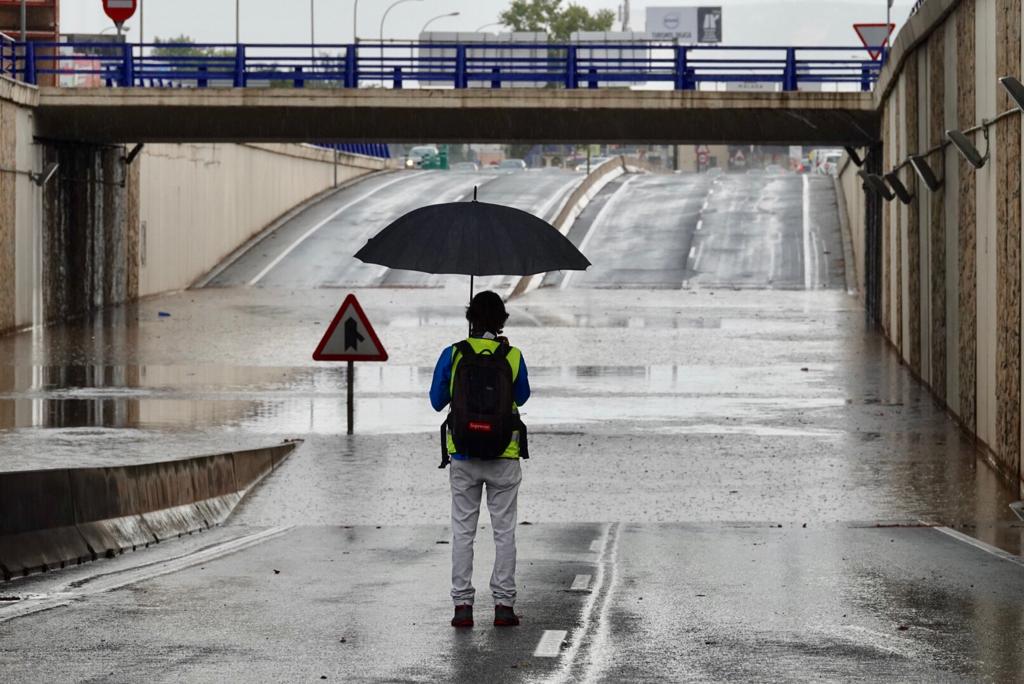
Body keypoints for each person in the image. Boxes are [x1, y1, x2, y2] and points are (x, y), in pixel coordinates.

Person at [429, 291, 531, 628]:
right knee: (504, 531)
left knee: (463, 531)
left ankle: (462, 606)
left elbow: (436, 401)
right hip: (504, 455)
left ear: (470, 318)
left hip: (464, 453)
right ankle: (503, 604)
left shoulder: (454, 353)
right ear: (501, 321)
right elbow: (522, 396)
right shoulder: (512, 355)